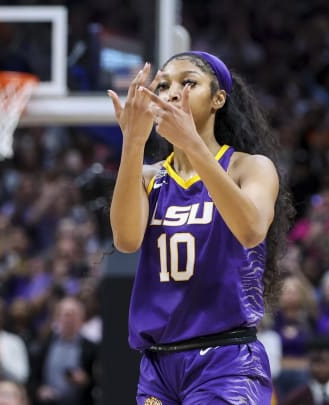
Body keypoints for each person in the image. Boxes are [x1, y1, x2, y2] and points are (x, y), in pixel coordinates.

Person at [108, 51, 293, 404]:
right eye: (162, 85)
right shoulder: (149, 176)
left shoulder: (249, 168)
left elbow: (252, 229)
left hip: (226, 360)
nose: (172, 92)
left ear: (218, 99)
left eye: (188, 82)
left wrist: (192, 143)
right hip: (158, 368)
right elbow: (127, 240)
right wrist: (132, 142)